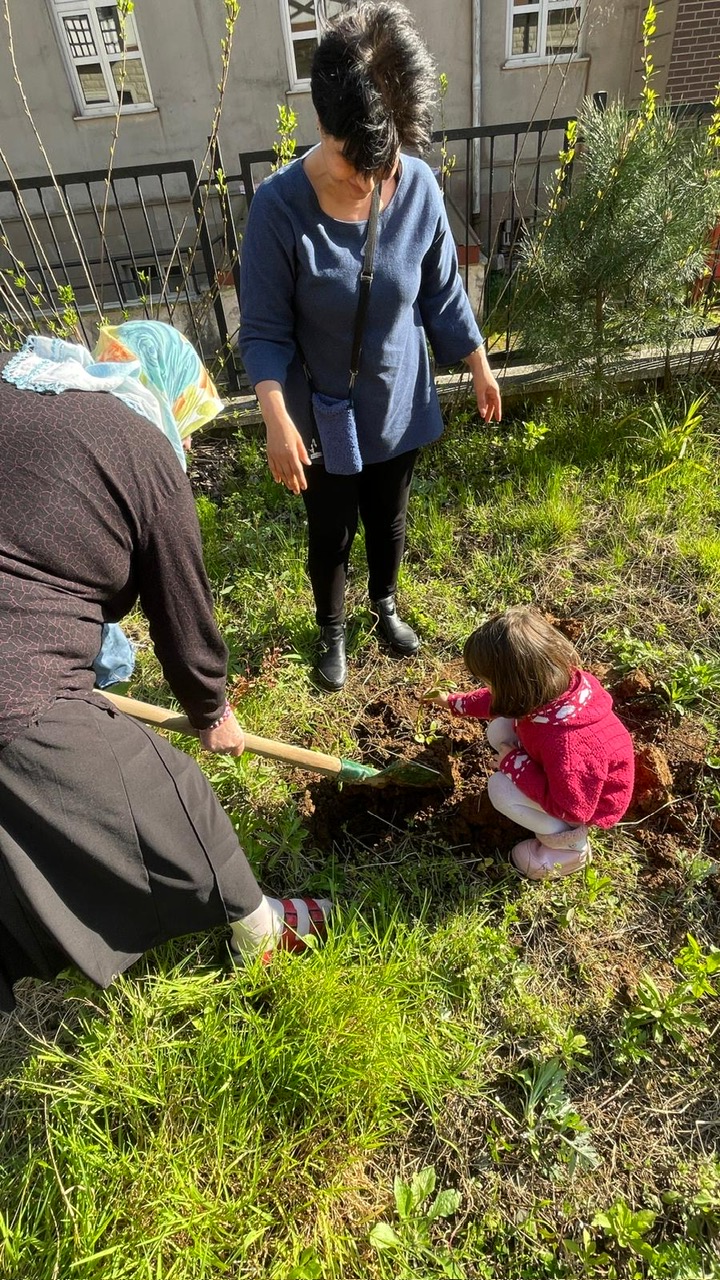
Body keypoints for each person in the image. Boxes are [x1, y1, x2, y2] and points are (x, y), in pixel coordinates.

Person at [0, 324, 330, 1015]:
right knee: (172, 795)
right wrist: (213, 712)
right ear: (171, 397)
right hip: (15, 679)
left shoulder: (21, 391)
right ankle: (263, 932)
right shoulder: (142, 447)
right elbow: (183, 613)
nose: (185, 441)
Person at [239, 0, 501, 692]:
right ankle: (331, 627)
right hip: (322, 411)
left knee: (389, 517)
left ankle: (383, 604)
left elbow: (441, 289)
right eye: (355, 162)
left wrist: (477, 363)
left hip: (398, 399)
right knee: (330, 530)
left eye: (384, 166)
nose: (371, 182)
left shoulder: (416, 187)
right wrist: (275, 417)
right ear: (322, 123)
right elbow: (263, 330)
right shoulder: (278, 208)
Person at [423, 608, 635, 879]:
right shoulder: (553, 684)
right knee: (500, 729)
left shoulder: (569, 748)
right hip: (564, 772)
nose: (488, 688)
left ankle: (571, 847)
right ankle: (538, 785)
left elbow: (575, 808)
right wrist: (454, 702)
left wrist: (516, 765)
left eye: (489, 683)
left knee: (500, 789)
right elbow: (501, 702)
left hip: (582, 803)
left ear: (516, 687)